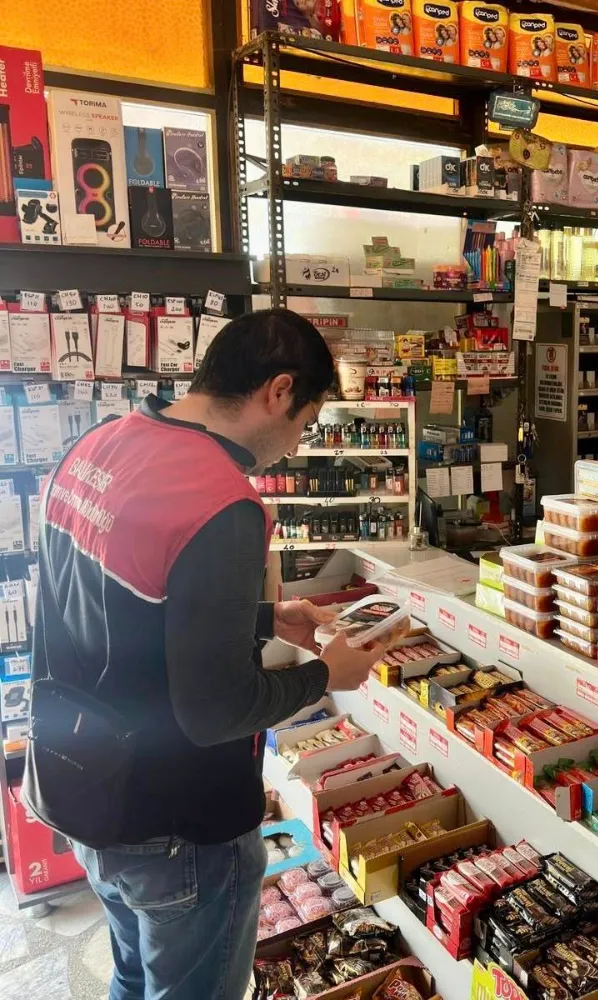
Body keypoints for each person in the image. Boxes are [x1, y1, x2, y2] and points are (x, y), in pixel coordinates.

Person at [24, 308, 389, 1000]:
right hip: (177, 828)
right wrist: (325, 676)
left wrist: (261, 617)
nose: (295, 446)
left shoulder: (97, 445)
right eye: (306, 423)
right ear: (279, 392)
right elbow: (216, 710)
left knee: (133, 978)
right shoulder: (222, 502)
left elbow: (122, 611)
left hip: (85, 792)